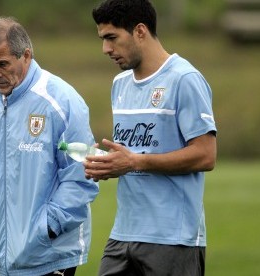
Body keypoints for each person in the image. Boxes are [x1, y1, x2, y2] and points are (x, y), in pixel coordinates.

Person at [84, 0, 217, 275]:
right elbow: (134, 153)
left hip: (173, 239)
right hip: (123, 234)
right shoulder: (119, 85)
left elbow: (206, 154)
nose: (105, 49)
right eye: (102, 39)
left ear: (140, 31)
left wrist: (134, 162)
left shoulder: (185, 79)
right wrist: (109, 164)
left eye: (112, 38)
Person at [0, 17, 99, 276]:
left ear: (26, 55)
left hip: (50, 254)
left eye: (2, 64)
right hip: (3, 256)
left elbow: (82, 177)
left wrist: (46, 228)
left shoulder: (62, 101)